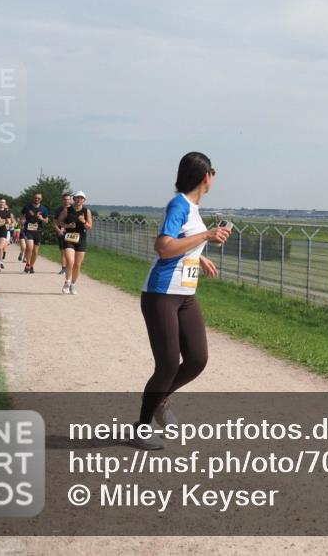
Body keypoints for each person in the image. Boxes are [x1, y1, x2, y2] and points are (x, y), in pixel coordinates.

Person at [132, 152, 229, 450]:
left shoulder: (194, 209)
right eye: (213, 173)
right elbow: (164, 247)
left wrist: (198, 258)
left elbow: (183, 244)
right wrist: (207, 236)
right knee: (168, 365)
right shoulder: (179, 205)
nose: (213, 178)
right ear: (206, 176)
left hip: (185, 295)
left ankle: (159, 399)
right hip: (162, 294)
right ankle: (141, 427)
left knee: (197, 359)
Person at [57, 191, 92, 294]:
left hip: (81, 239)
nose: (79, 199)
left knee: (77, 264)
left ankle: (73, 284)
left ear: (84, 200)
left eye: (81, 198)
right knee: (70, 261)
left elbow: (90, 227)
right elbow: (59, 221)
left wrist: (83, 221)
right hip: (69, 238)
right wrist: (67, 226)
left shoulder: (86, 211)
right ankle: (67, 282)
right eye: (77, 197)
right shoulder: (67, 210)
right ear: (74, 199)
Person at [20, 192, 49, 274]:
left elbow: (47, 220)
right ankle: (28, 263)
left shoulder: (44, 209)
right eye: (35, 198)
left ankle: (31, 266)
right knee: (29, 247)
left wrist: (42, 219)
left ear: (41, 199)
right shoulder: (27, 207)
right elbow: (22, 216)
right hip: (28, 230)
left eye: (38, 198)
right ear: (33, 198)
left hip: (38, 231)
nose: (37, 199)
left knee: (35, 251)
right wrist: (22, 221)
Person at [52, 192, 73, 276]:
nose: (67, 201)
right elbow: (54, 223)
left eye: (68, 199)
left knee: (71, 251)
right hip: (61, 233)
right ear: (62, 200)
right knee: (63, 251)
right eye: (65, 199)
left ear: (70, 200)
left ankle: (70, 267)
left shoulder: (73, 209)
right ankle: (63, 268)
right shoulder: (58, 210)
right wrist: (59, 230)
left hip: (71, 233)